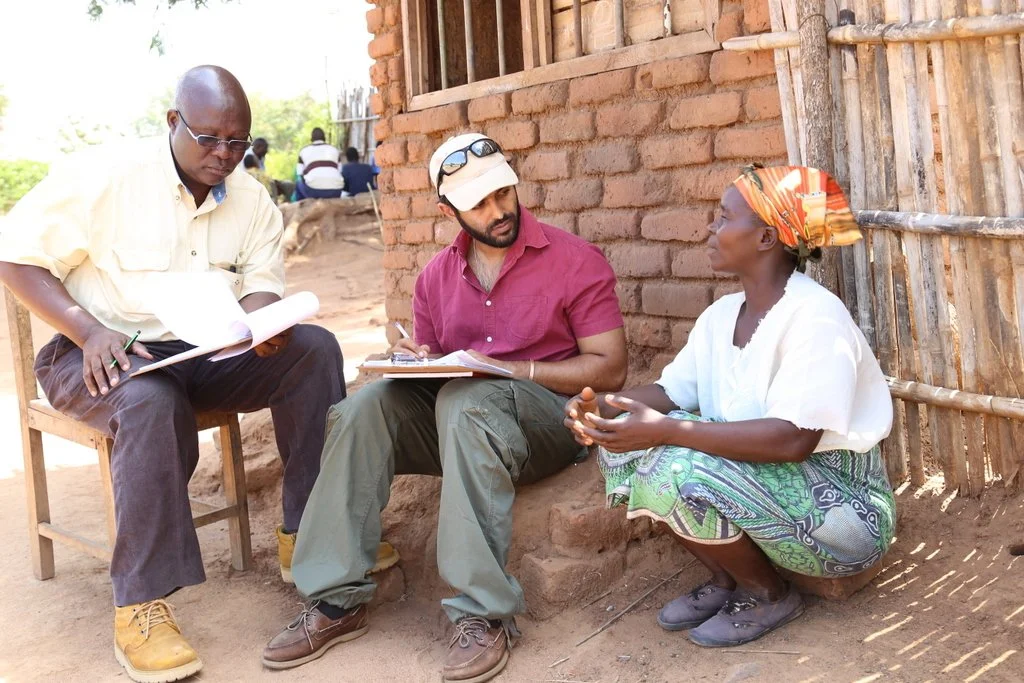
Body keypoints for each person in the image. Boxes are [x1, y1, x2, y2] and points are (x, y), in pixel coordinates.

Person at [0, 66, 346, 683]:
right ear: (172, 122)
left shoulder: (250, 197)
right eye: (209, 138)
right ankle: (141, 607)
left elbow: (261, 289)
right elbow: (14, 255)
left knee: (314, 350)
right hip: (101, 353)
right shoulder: (106, 175)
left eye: (237, 142)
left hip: (206, 352)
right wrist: (86, 329)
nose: (224, 155)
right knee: (151, 401)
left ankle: (309, 534)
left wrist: (261, 329)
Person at [262, 133, 628, 682]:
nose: (499, 210)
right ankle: (337, 600)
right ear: (447, 210)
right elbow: (438, 367)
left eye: (503, 192)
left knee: (470, 396)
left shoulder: (575, 261)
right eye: (478, 203)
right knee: (366, 408)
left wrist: (512, 369)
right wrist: (412, 361)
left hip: (549, 426)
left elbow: (610, 366)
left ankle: (482, 614)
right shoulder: (435, 276)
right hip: (466, 423)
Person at [564, 164, 895, 648]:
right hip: (765, 486)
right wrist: (600, 409)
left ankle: (769, 594)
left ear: (765, 237)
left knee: (674, 461)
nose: (710, 229)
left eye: (723, 218)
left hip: (843, 511)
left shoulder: (815, 317)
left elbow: (793, 440)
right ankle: (726, 580)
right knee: (623, 447)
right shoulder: (721, 317)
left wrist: (667, 432)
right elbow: (673, 394)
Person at [294, 127, 343, 199]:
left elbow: (299, 173)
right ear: (324, 138)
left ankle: (301, 208)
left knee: (298, 184)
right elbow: (340, 171)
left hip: (314, 191)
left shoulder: (304, 151)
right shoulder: (334, 150)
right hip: (336, 191)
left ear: (311, 139)